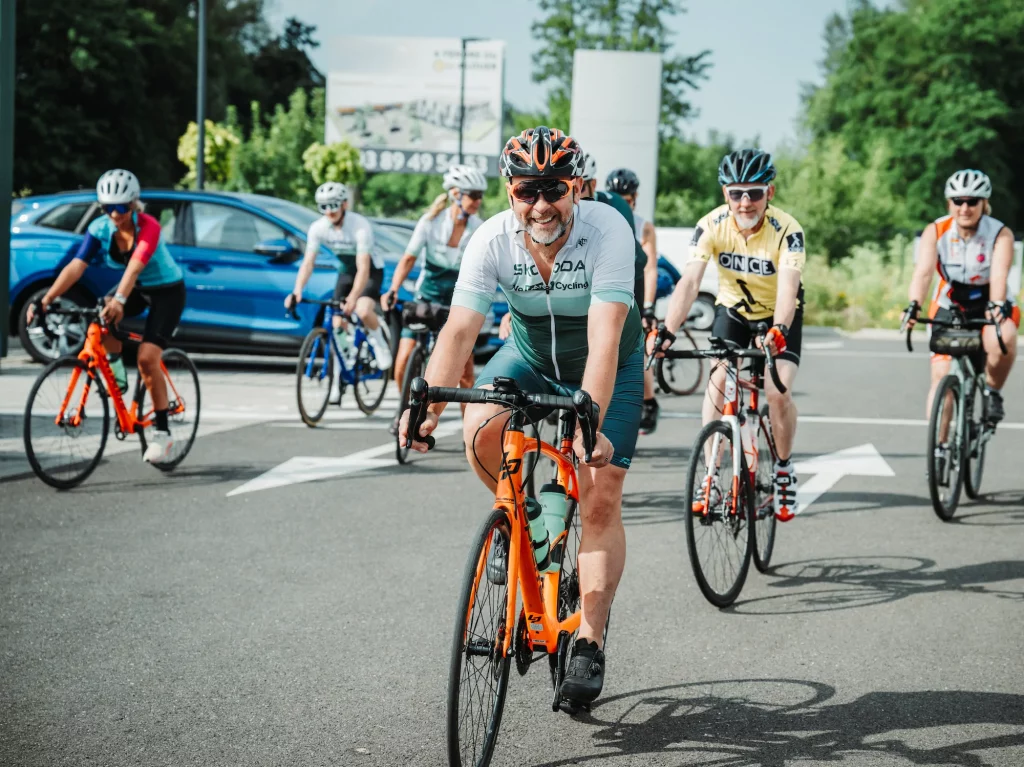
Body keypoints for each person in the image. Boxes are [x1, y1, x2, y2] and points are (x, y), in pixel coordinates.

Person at [399, 127, 643, 705]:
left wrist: (592, 422)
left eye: (554, 189)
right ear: (510, 189)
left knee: (598, 495)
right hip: (531, 355)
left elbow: (605, 340)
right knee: (479, 427)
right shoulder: (490, 239)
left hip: (609, 365)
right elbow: (460, 330)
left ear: (576, 186)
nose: (541, 204)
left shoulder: (609, 229)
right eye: (527, 190)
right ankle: (526, 523)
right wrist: (425, 404)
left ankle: (587, 638)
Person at [652, 149, 804, 521]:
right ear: (725, 194)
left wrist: (779, 329)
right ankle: (711, 475)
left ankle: (783, 469)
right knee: (719, 381)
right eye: (736, 193)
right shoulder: (711, 225)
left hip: (778, 316)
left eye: (754, 192)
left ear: (770, 192)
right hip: (733, 311)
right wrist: (668, 329)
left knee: (775, 390)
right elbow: (689, 281)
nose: (745, 201)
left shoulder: (788, 230)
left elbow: (788, 289)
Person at [25, 169, 186, 464]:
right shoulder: (100, 228)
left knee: (148, 358)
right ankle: (116, 375)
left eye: (122, 207)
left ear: (134, 204)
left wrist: (121, 300)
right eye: (107, 207)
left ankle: (162, 435)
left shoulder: (148, 226)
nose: (114, 214)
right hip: (136, 287)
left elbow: (135, 266)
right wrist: (46, 299)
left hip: (167, 291)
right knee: (102, 316)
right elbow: (77, 265)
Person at [903, 169, 1018, 424]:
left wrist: (997, 304)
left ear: (984, 204)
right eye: (958, 201)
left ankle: (992, 392)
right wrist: (914, 306)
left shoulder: (1000, 233)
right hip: (950, 303)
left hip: (989, 301)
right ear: (949, 203)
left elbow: (999, 276)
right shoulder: (936, 230)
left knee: (1004, 337)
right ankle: (939, 453)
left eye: (972, 201)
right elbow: (923, 273)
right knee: (941, 378)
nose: (964, 208)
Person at [382, 164, 487, 432]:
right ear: (455, 194)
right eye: (473, 195)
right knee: (404, 358)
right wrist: (393, 289)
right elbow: (408, 258)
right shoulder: (430, 222)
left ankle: (469, 430)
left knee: (465, 371)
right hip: (426, 296)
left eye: (480, 195)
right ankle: (407, 406)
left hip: (456, 301)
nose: (478, 201)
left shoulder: (479, 228)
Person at [286, 182, 393, 403]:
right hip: (346, 272)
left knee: (363, 310)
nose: (329, 211)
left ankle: (379, 343)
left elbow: (363, 268)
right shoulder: (318, 228)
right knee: (336, 328)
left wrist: (354, 298)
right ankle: (339, 378)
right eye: (323, 207)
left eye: (334, 205)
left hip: (371, 270)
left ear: (344, 204)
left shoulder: (359, 226)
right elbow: (308, 263)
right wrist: (296, 291)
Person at [606, 168, 660, 434]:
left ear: (635, 198)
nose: (621, 204)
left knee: (638, 349)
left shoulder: (643, 226)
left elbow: (650, 269)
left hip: (634, 288)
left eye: (626, 200)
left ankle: (649, 402)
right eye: (616, 198)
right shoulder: (601, 220)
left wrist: (648, 306)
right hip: (608, 288)